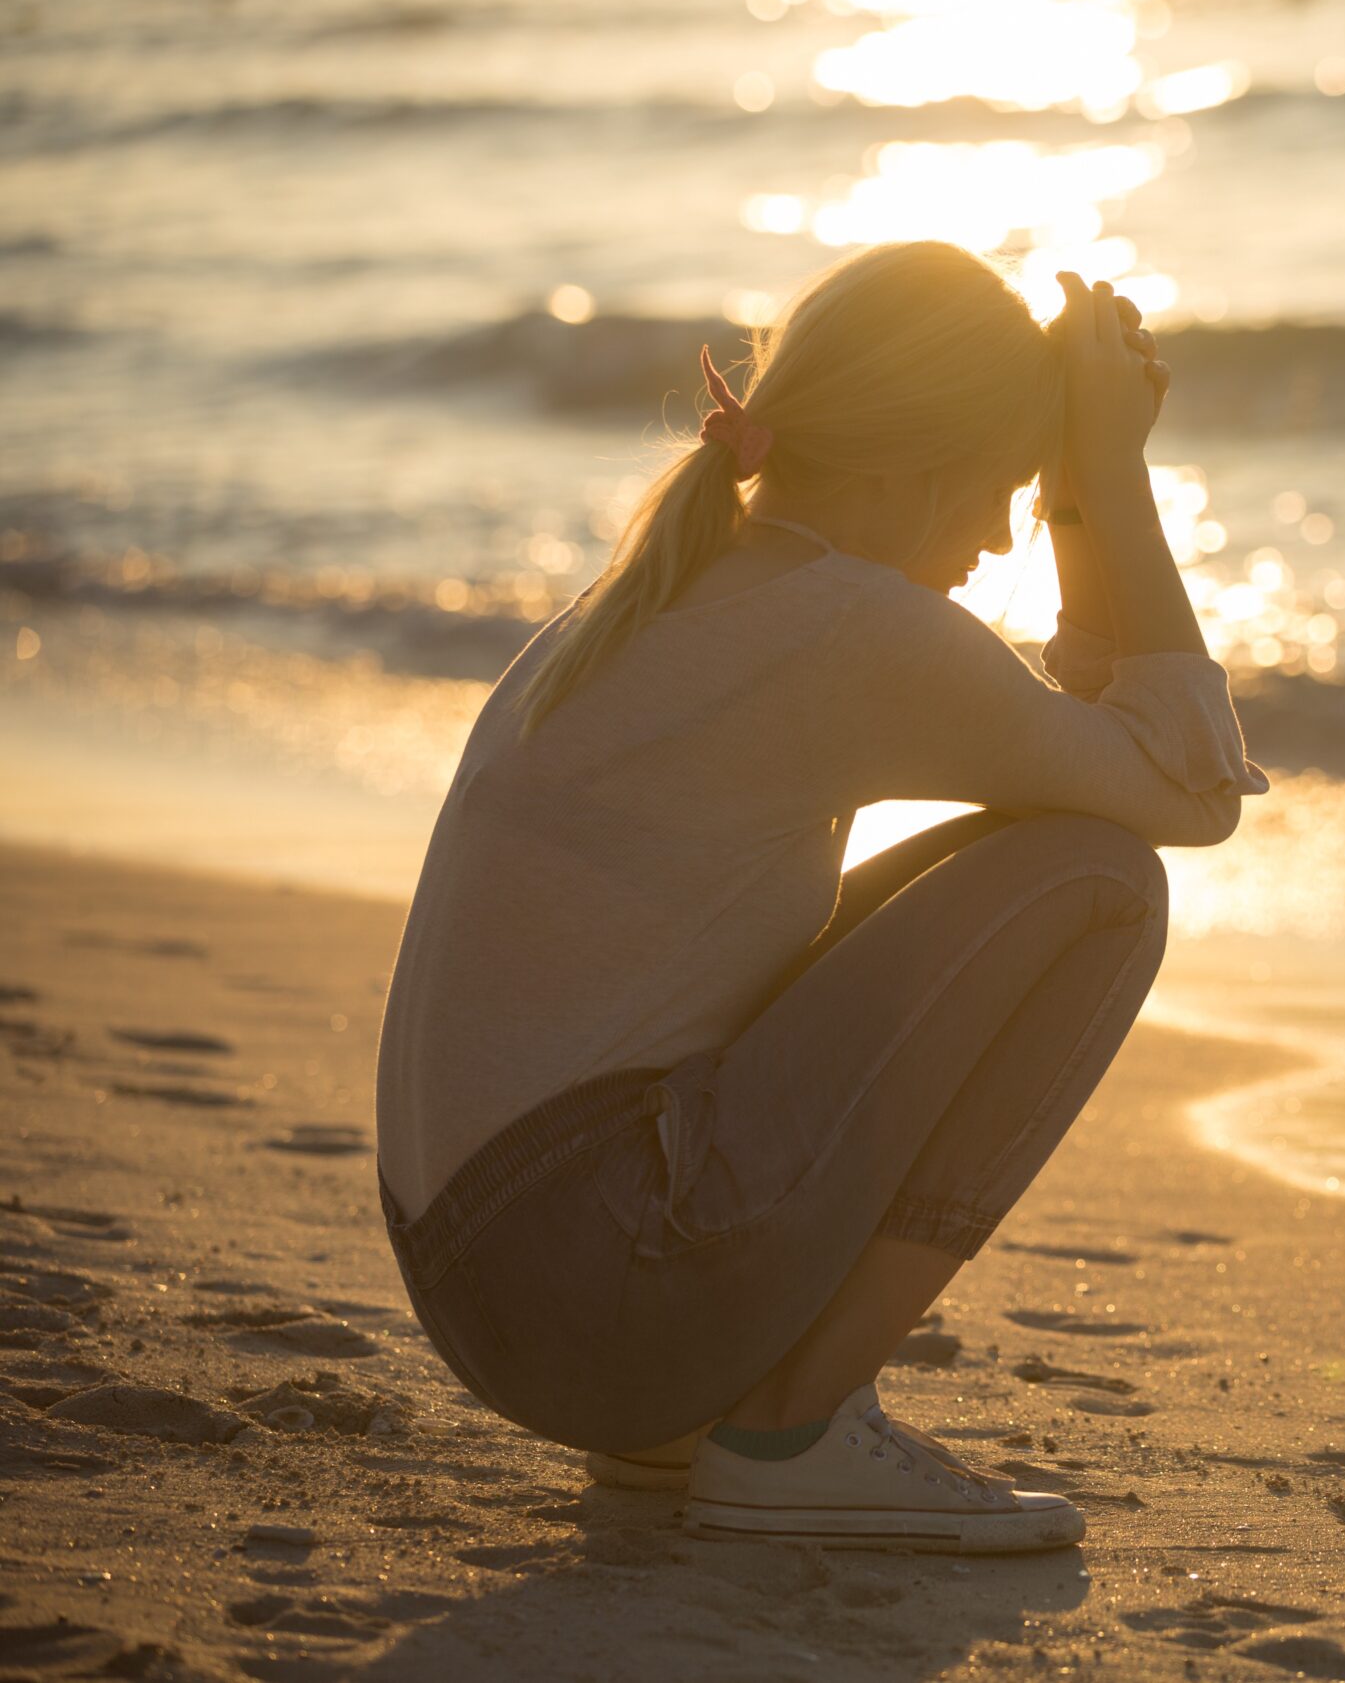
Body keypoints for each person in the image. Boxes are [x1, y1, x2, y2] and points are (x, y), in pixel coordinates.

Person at [370, 240, 1266, 1553]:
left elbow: (1089, 751)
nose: (1002, 537)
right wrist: (1107, 482)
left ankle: (704, 1425)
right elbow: (1187, 794)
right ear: (915, 466)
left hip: (500, 1285)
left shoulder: (661, 596)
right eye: (1009, 491)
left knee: (1053, 844)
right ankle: (789, 1430)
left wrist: (1074, 485)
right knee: (1102, 883)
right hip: (594, 1285)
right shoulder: (851, 630)